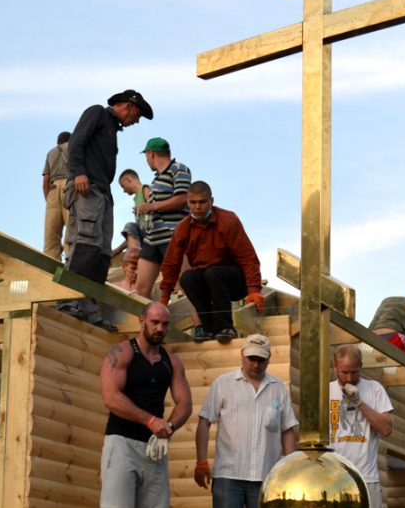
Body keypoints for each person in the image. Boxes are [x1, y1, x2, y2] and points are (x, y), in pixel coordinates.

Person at [100, 301, 192, 508]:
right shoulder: (122, 353)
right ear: (141, 321)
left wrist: (169, 429)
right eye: (155, 322)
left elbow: (184, 404)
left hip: (155, 449)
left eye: (165, 324)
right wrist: (151, 420)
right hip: (121, 443)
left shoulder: (171, 361)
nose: (160, 328)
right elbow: (110, 397)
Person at [194, 334, 298, 508]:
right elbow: (204, 422)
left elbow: (288, 430)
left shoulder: (278, 388)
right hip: (228, 476)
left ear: (269, 359)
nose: (255, 364)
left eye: (261, 360)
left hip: (266, 480)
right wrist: (201, 461)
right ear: (242, 355)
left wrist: (291, 472)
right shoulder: (223, 383)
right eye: (251, 358)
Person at [59, 89, 152, 329]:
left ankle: (90, 308)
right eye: (137, 115)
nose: (136, 121)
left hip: (102, 191)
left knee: (101, 252)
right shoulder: (97, 113)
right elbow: (76, 142)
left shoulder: (112, 128)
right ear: (129, 106)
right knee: (85, 242)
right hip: (86, 187)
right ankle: (68, 299)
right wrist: (79, 172)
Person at [158, 181, 264, 344]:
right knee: (188, 278)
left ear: (211, 201)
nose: (197, 207)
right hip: (207, 281)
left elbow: (248, 257)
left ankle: (225, 328)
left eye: (202, 202)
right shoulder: (183, 228)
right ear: (187, 203)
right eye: (193, 202)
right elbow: (171, 263)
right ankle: (208, 328)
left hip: (234, 280)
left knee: (213, 273)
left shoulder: (228, 220)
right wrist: (164, 297)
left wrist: (254, 290)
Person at [329, 344, 393, 508]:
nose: (349, 377)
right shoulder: (325, 391)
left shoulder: (374, 389)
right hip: (332, 481)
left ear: (361, 367)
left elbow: (386, 428)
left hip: (366, 479)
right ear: (335, 366)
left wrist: (359, 403)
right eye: (344, 372)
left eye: (354, 372)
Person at [134, 138, 191, 298]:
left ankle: (199, 324)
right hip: (152, 239)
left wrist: (152, 206)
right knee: (141, 290)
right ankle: (145, 323)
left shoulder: (179, 169)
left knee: (186, 285)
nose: (146, 160)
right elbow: (159, 205)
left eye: (146, 156)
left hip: (172, 236)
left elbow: (183, 198)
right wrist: (143, 209)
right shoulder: (156, 178)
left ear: (151, 154)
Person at [42, 131, 72, 261]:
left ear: (58, 142)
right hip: (69, 186)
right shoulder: (73, 148)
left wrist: (49, 200)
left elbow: (45, 183)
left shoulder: (51, 153)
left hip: (52, 190)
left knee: (51, 241)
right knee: (71, 234)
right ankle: (71, 267)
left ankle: (50, 272)